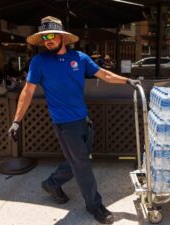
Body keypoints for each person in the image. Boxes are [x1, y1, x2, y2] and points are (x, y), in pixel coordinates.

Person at [8, 16, 141, 224]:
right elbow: (27, 91)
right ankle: (95, 206)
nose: (47, 41)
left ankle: (52, 183)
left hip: (83, 120)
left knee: (78, 160)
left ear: (62, 37)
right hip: (64, 124)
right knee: (82, 165)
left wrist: (127, 80)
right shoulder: (39, 62)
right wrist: (17, 120)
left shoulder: (80, 58)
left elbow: (104, 75)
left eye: (51, 36)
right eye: (44, 38)